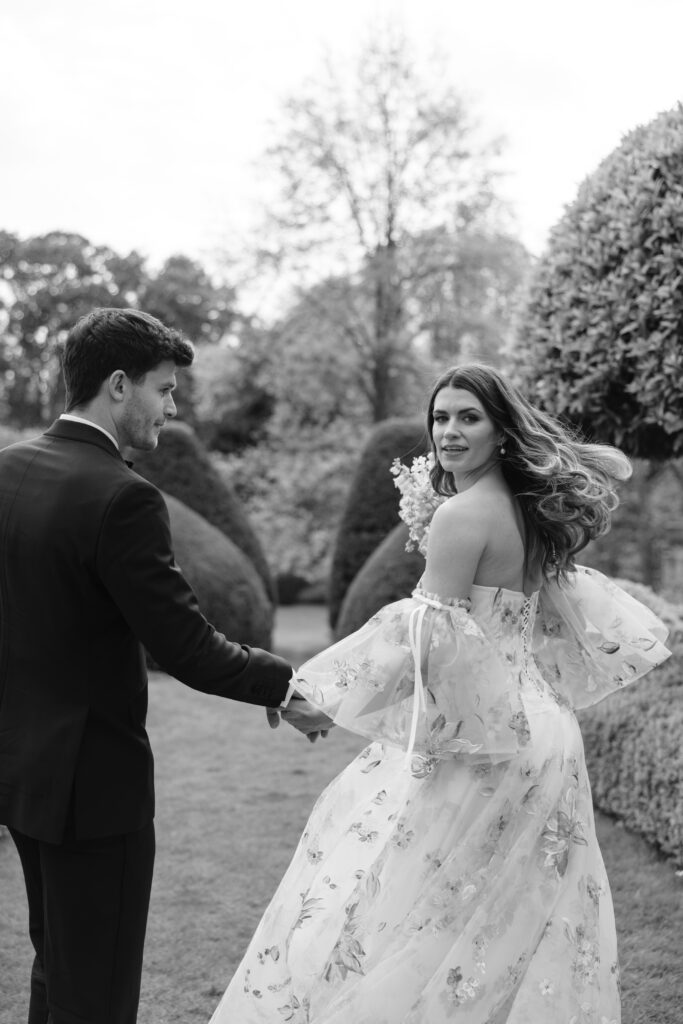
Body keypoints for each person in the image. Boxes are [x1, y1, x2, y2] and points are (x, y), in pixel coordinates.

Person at [210, 363, 670, 1024]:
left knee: (413, 910)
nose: (448, 431)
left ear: (501, 430)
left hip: (486, 745)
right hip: (542, 733)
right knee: (510, 922)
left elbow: (426, 644)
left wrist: (317, 697)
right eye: (440, 417)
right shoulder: (526, 512)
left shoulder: (460, 515)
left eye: (467, 417)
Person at [0, 307, 331, 1024]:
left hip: (21, 775)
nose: (172, 407)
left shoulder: (8, 469)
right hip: (94, 789)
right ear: (118, 385)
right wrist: (284, 682)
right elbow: (185, 646)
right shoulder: (123, 496)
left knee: (56, 972)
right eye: (164, 389)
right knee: (97, 995)